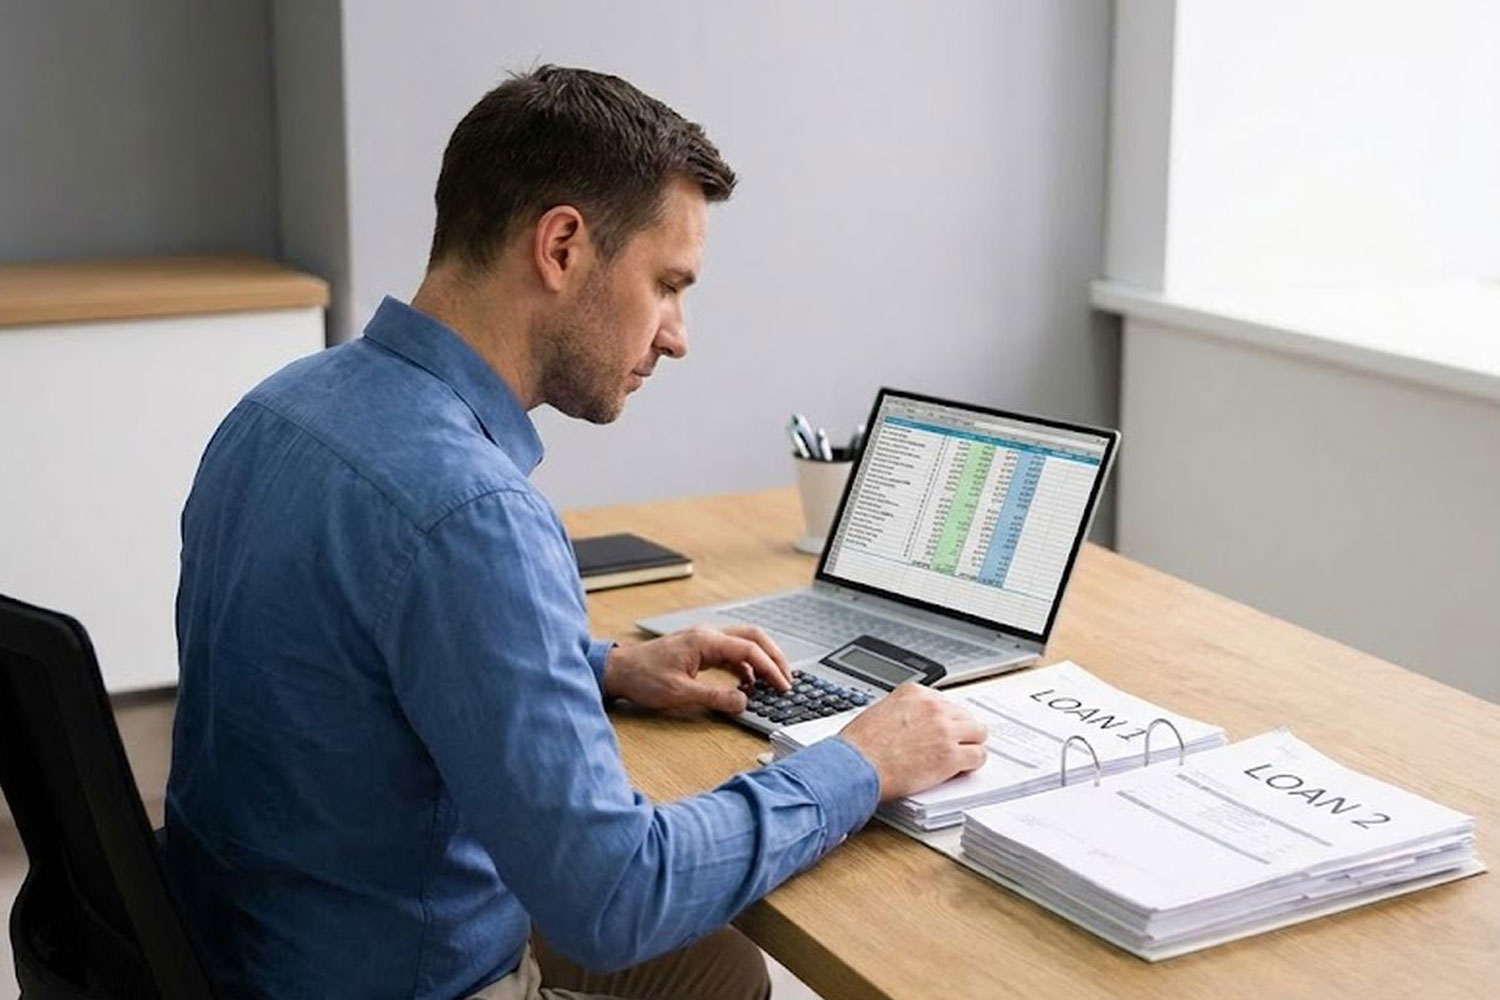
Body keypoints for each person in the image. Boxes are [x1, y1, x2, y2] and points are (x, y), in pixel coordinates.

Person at [164, 65, 989, 1000]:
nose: (677, 335)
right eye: (667, 284)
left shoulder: (278, 408)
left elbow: (348, 657)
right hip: (397, 973)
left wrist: (601, 667)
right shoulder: (475, 513)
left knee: (718, 966)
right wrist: (861, 763)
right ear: (560, 246)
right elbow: (616, 896)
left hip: (248, 938)